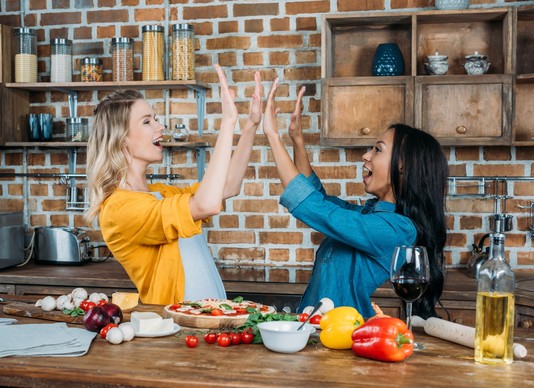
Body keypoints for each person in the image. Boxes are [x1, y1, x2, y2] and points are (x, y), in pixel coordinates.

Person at [262, 78, 448, 319]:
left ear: (402, 167)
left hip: (345, 338)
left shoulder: (399, 230)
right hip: (317, 332)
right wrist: (297, 139)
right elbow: (319, 199)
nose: (366, 155)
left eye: (378, 150)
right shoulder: (369, 215)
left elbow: (313, 206)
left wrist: (271, 135)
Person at [85, 64, 263, 305]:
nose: (160, 126)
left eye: (156, 119)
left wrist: (250, 125)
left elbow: (227, 186)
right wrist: (226, 124)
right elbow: (207, 204)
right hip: (178, 324)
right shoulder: (119, 208)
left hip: (210, 314)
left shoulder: (160, 194)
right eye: (147, 121)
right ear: (122, 139)